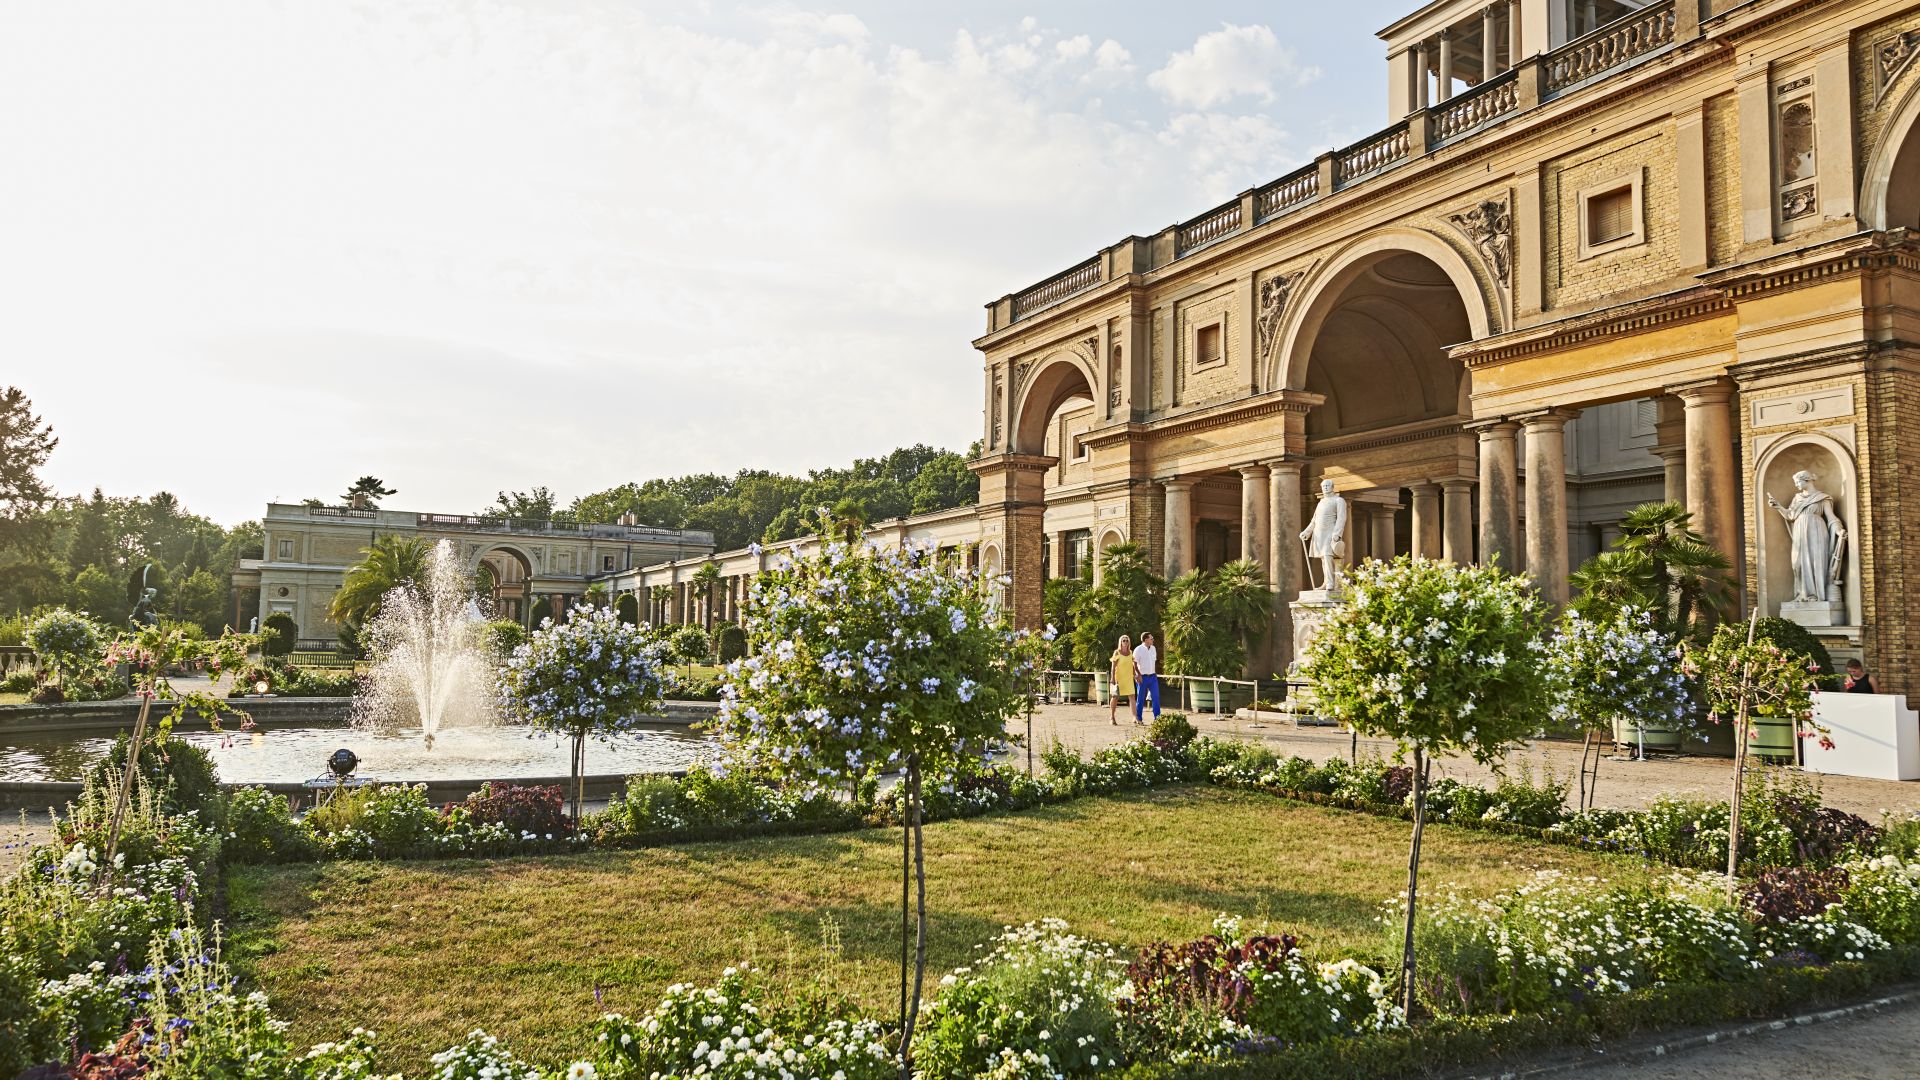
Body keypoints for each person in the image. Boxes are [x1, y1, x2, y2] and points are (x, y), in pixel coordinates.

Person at [1131, 632, 1161, 724]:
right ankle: (1138, 718)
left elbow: (1153, 662)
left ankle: (1158, 719)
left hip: (1152, 677)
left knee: (1156, 697)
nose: (1153, 640)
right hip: (1142, 677)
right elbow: (1134, 664)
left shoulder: (1153, 648)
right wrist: (1138, 675)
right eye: (1151, 638)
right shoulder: (1138, 649)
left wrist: (1154, 673)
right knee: (1140, 698)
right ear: (1145, 640)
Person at [1107, 634, 1135, 725]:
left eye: (1127, 640)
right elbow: (1113, 667)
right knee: (1115, 697)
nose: (1125, 642)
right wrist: (1112, 678)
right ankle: (1112, 717)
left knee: (1132, 697)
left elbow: (1133, 664)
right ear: (1120, 642)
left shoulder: (1131, 652)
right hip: (1118, 678)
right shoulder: (1117, 652)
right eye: (1123, 640)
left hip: (1129, 678)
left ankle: (1135, 717)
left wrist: (1135, 674)